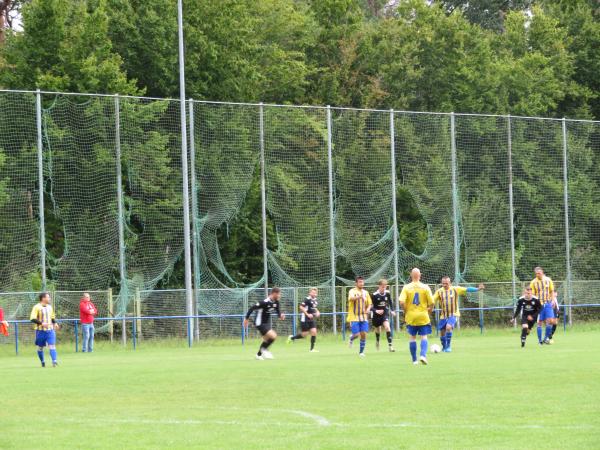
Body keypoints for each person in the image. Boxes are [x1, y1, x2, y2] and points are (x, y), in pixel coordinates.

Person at [433, 277, 485, 352]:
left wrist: (477, 289)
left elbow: (467, 289)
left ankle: (448, 347)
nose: (444, 285)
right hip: (443, 315)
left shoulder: (455, 289)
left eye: (446, 283)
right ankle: (444, 347)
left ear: (450, 283)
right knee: (442, 332)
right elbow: (432, 299)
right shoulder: (439, 291)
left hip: (453, 314)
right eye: (443, 283)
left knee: (448, 327)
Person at [399, 268, 434, 365]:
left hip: (411, 316)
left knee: (412, 338)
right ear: (420, 275)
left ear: (411, 275)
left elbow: (401, 301)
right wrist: (429, 310)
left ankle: (414, 360)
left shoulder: (406, 287)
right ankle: (423, 355)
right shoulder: (425, 287)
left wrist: (405, 310)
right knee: (424, 337)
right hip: (423, 315)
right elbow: (432, 302)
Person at [243, 287, 285, 360]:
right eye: (278, 294)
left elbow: (278, 312)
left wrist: (280, 316)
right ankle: (265, 350)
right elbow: (251, 308)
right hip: (259, 323)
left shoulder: (276, 302)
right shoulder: (264, 302)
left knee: (266, 340)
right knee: (273, 336)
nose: (279, 296)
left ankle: (258, 355)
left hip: (266, 323)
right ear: (274, 293)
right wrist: (246, 319)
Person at [29, 292, 59, 367]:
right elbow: (32, 319)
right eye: (48, 297)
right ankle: (42, 362)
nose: (49, 298)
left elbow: (52, 317)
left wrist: (55, 323)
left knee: (52, 345)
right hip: (40, 331)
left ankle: (54, 361)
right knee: (40, 347)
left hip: (50, 330)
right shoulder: (36, 307)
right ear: (43, 298)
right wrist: (42, 324)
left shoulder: (50, 307)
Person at [287, 287, 320, 352]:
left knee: (314, 332)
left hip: (311, 319)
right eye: (312, 292)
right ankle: (291, 338)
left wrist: (318, 312)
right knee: (304, 335)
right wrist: (307, 314)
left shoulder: (315, 300)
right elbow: (301, 307)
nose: (314, 293)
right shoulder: (307, 299)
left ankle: (312, 349)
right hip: (305, 319)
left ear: (316, 294)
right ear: (310, 293)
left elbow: (314, 308)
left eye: (315, 292)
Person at [347, 276, 372, 357]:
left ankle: (361, 352)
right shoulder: (352, 291)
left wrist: (368, 309)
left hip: (364, 316)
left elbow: (370, 303)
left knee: (364, 334)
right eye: (360, 282)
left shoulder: (366, 292)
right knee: (357, 334)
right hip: (354, 316)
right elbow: (351, 298)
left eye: (362, 282)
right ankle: (351, 338)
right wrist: (359, 296)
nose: (361, 283)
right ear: (356, 283)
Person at [530, 267, 556, 344]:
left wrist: (553, 300)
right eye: (536, 273)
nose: (538, 275)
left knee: (550, 321)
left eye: (539, 273)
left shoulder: (548, 280)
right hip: (539, 305)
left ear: (542, 272)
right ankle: (539, 341)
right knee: (539, 322)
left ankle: (545, 338)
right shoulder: (533, 282)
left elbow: (552, 291)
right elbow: (532, 294)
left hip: (548, 303)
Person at [371, 279, 396, 352]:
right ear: (379, 286)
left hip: (384, 314)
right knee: (378, 330)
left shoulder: (387, 293)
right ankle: (377, 341)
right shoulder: (374, 295)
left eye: (385, 287)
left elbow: (390, 302)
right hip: (376, 315)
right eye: (382, 287)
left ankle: (390, 346)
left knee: (387, 327)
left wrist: (392, 310)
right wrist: (376, 311)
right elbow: (370, 306)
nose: (384, 288)